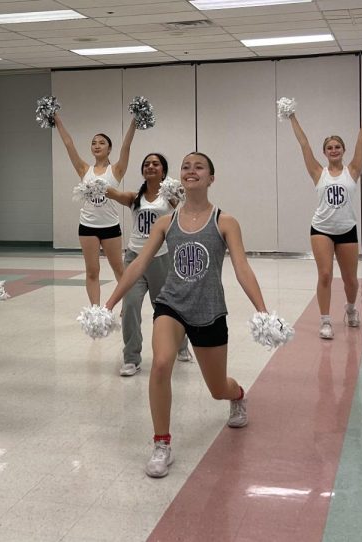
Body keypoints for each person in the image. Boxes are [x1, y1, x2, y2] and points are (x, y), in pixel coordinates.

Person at [104, 152, 273, 478]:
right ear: (180, 178)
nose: (191, 170)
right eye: (186, 167)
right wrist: (110, 302)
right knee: (162, 363)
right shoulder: (166, 222)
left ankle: (237, 395)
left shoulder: (225, 222)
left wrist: (263, 311)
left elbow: (242, 268)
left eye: (199, 167)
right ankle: (161, 444)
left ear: (211, 178)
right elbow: (138, 263)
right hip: (172, 304)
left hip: (209, 310)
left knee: (217, 388)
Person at [287, 104, 362, 339]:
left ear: (343, 150)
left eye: (337, 147)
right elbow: (304, 144)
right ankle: (325, 321)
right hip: (321, 229)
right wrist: (292, 116)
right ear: (324, 152)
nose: (333, 150)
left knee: (350, 280)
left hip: (347, 229)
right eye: (329, 148)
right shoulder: (318, 172)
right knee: (325, 274)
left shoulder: (353, 170)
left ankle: (351, 307)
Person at [105, 153, 192, 376]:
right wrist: (94, 184)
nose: (150, 166)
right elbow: (111, 192)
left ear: (163, 171)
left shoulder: (171, 197)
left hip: (161, 258)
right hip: (134, 258)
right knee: (131, 306)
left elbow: (188, 193)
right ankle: (131, 358)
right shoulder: (134, 197)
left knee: (165, 309)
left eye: (156, 164)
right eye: (146, 164)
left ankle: (181, 344)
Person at [53, 110, 137, 305]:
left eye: (101, 142)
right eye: (93, 142)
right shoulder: (84, 169)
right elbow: (68, 144)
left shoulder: (115, 170)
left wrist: (135, 120)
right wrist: (57, 119)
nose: (97, 145)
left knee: (119, 269)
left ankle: (127, 305)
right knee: (92, 271)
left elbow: (127, 146)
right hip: (87, 226)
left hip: (110, 226)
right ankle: (95, 311)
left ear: (109, 149)